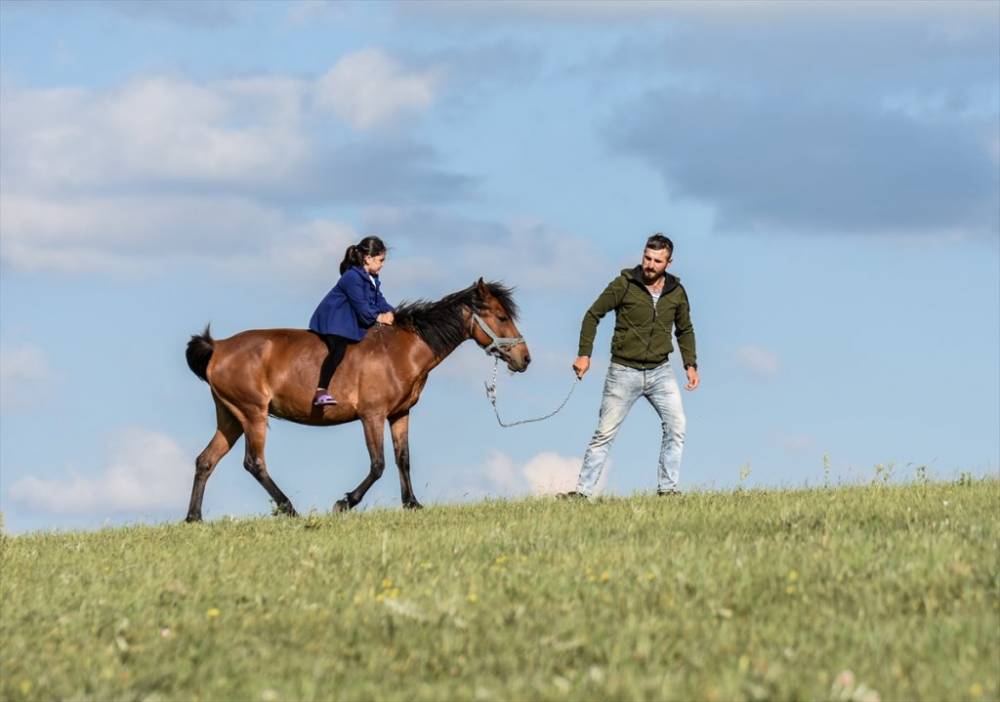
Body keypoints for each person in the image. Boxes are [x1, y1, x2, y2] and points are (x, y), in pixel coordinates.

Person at [565, 233, 700, 498]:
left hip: (661, 372)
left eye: (657, 261)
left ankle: (668, 490)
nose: (650, 265)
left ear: (669, 263)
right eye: (647, 258)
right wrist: (584, 354)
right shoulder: (623, 284)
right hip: (623, 372)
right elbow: (593, 315)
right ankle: (581, 494)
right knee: (604, 433)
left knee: (677, 427)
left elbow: (685, 329)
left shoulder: (677, 292)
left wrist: (690, 364)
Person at [308, 236, 395, 406]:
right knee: (338, 349)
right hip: (334, 320)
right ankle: (321, 391)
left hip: (349, 321)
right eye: (381, 260)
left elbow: (380, 300)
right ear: (368, 259)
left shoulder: (372, 279)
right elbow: (362, 307)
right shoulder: (352, 278)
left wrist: (392, 312)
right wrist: (379, 317)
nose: (383, 264)